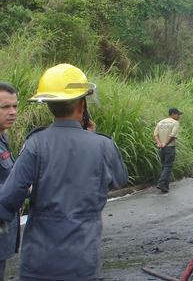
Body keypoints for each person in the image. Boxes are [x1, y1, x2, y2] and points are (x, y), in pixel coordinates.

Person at [0, 64, 128, 280]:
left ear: (49, 105)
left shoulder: (35, 144)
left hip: (39, 261)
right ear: (81, 105)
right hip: (82, 260)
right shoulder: (103, 146)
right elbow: (119, 180)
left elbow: (9, 197)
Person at [0, 83, 19, 280]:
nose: (12, 112)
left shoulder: (3, 138)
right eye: (5, 107)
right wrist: (21, 187)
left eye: (15, 106)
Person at [154, 107, 182, 193]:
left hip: (161, 147)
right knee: (168, 166)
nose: (179, 116)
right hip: (169, 147)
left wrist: (159, 143)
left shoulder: (161, 122)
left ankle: (165, 187)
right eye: (178, 114)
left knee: (164, 166)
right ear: (173, 114)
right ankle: (162, 183)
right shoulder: (175, 123)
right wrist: (165, 143)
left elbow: (155, 134)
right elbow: (173, 135)